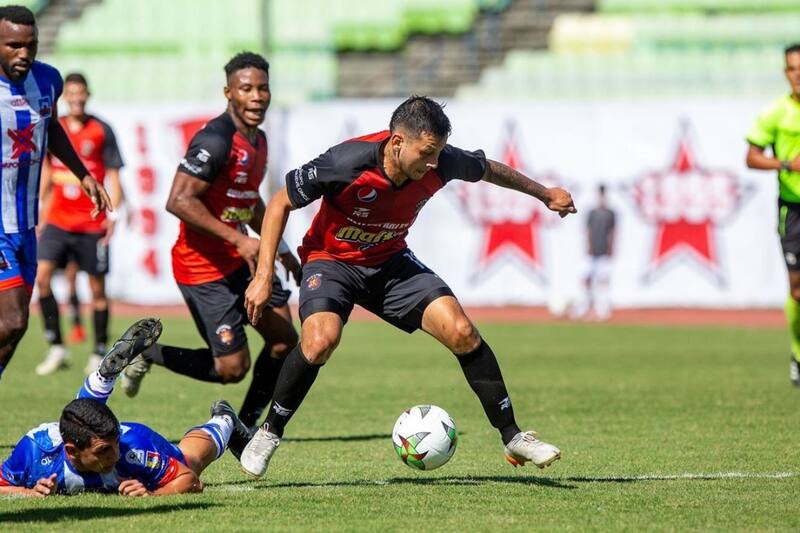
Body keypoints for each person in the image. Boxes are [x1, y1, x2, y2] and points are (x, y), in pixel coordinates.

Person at [240, 95, 577, 478]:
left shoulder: (442, 160)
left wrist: (544, 194)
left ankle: (514, 438)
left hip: (389, 262)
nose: (434, 163)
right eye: (427, 153)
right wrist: (264, 274)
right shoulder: (346, 162)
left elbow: (487, 170)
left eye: (438, 154)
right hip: (332, 262)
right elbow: (281, 201)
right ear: (398, 142)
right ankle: (269, 432)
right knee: (319, 340)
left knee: (462, 332)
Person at [121, 52, 300, 434]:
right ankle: (147, 351)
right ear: (228, 93)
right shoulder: (215, 139)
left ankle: (250, 426)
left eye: (262, 88)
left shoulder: (259, 140)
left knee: (285, 340)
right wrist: (239, 240)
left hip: (239, 262)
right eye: (246, 89)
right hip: (202, 269)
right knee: (232, 369)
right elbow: (178, 200)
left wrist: (279, 247)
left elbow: (247, 198)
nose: (256, 97)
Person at [0, 318, 250, 496]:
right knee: (80, 418)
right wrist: (27, 492)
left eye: (114, 446)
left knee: (190, 460)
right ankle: (101, 380)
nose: (115, 455)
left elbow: (190, 481)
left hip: (129, 436)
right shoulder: (36, 449)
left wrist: (153, 495)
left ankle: (224, 420)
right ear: (72, 451)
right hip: (80, 431)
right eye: (104, 451)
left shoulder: (133, 449)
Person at [0, 5, 110, 383]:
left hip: (27, 227)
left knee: (16, 328)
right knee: (12, 317)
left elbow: (51, 128)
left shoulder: (48, 81)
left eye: (30, 45)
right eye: (13, 45)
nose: (23, 54)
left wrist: (83, 174)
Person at [34, 72, 125, 376]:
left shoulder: (101, 130)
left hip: (91, 222)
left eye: (80, 92)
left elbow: (113, 176)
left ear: (87, 94)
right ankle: (56, 346)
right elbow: (48, 173)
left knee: (97, 290)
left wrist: (113, 214)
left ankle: (99, 351)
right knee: (43, 278)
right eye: (70, 92)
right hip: (58, 221)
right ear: (64, 97)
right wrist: (40, 215)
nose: (75, 97)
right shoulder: (53, 130)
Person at [747, 43, 800, 388]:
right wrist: (785, 164)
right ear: (785, 72)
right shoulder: (775, 113)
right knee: (797, 290)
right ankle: (798, 355)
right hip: (793, 208)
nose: (798, 75)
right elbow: (751, 157)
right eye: (792, 69)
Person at [570, 184, 615, 321]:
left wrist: (611, 247)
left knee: (603, 280)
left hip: (603, 251)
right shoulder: (592, 213)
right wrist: (588, 246)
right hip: (592, 252)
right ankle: (583, 307)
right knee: (585, 278)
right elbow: (587, 231)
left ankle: (603, 310)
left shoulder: (610, 213)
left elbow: (613, 232)